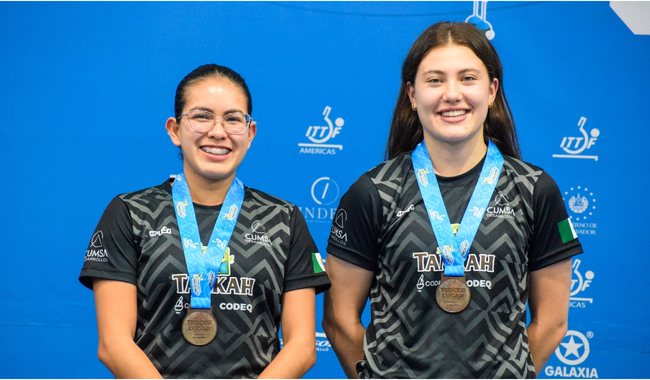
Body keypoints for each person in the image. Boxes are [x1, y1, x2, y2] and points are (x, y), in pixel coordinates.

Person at [322, 22, 583, 379]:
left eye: (467, 78)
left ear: (491, 90)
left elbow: (552, 323)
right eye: (434, 80)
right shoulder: (372, 193)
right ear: (412, 95)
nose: (452, 94)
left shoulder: (535, 189)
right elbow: (339, 322)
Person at [79, 63, 330, 379]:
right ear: (174, 130)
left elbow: (303, 346)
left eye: (233, 119)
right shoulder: (131, 213)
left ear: (250, 134)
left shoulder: (284, 219)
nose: (218, 131)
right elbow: (114, 344)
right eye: (201, 116)